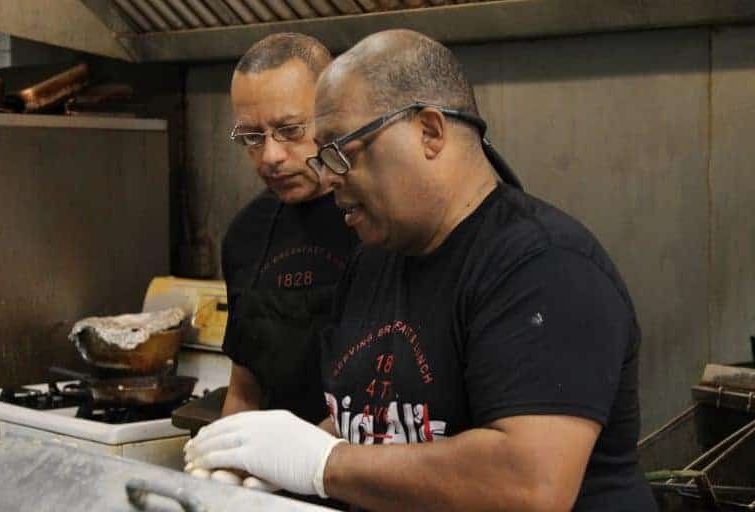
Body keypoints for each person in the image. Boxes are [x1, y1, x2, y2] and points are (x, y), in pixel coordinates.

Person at [186, 29, 657, 511]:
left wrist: (322, 464)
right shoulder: (374, 259)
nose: (327, 175)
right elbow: (374, 421)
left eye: (343, 150)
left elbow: (528, 485)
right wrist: (270, 453)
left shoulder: (545, 267)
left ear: (429, 132)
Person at [220, 33, 356, 426]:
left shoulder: (386, 222)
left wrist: (307, 459)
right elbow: (245, 388)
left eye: (291, 130)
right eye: (251, 137)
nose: (270, 157)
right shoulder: (246, 235)